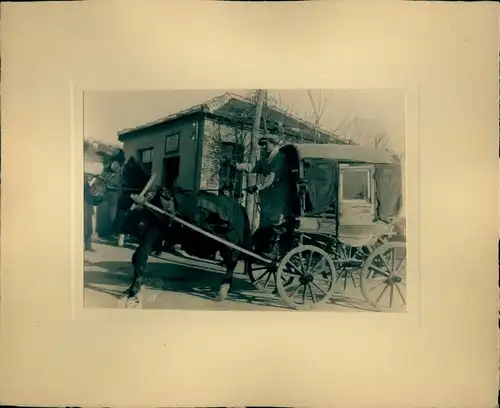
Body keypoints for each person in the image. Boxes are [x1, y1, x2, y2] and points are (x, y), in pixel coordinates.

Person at [234, 134, 295, 260]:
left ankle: (275, 251)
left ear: (273, 143)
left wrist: (256, 187)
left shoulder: (279, 158)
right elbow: (253, 167)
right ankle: (260, 250)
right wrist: (238, 166)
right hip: (268, 197)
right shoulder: (266, 159)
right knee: (265, 224)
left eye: (265, 144)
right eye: (262, 145)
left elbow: (270, 179)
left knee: (276, 223)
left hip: (279, 196)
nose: (263, 147)